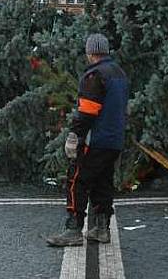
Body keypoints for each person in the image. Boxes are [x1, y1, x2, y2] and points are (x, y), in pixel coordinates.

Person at [47, 33, 129, 247]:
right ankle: (102, 228)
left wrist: (74, 136)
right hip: (114, 139)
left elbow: (87, 112)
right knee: (103, 181)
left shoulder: (94, 75)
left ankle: (73, 229)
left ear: (90, 52)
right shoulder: (119, 73)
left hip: (95, 139)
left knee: (77, 180)